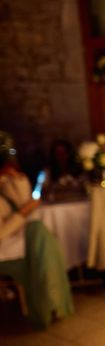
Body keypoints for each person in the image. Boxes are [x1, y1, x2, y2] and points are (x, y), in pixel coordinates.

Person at [0, 132, 74, 328]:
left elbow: (27, 205)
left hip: (24, 237)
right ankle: (51, 302)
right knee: (40, 234)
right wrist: (24, 212)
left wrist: (17, 180)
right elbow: (3, 231)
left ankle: (51, 302)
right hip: (5, 246)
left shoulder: (8, 182)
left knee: (39, 233)